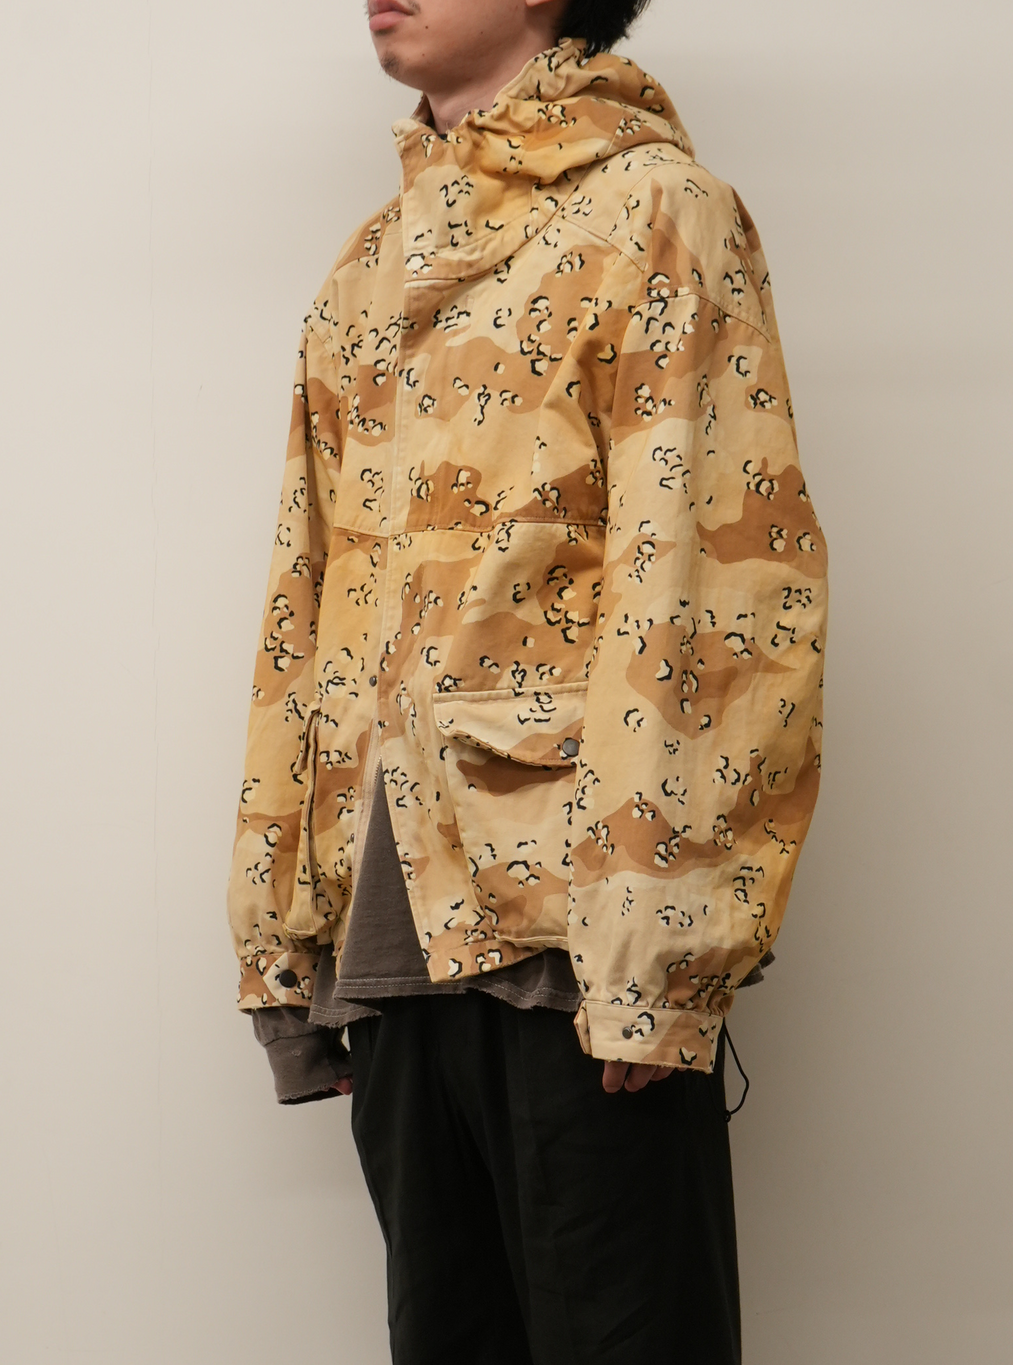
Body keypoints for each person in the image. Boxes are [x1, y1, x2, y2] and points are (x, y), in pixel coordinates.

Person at [227, 1, 827, 1360]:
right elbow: (303, 596)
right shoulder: (369, 265)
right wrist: (281, 936)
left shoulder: (656, 210)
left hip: (577, 937)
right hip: (387, 935)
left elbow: (711, 588)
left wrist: (659, 957)